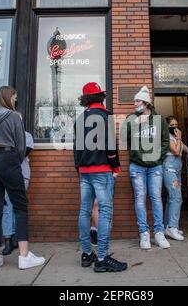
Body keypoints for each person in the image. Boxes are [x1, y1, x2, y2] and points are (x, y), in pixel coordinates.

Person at [0, 86, 45, 271]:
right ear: (10, 98)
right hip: (7, 159)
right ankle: (24, 256)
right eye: (15, 97)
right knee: (20, 206)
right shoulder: (14, 116)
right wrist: (12, 162)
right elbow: (21, 146)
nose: (16, 100)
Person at [74, 82, 127, 272]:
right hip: (102, 170)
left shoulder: (79, 119)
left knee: (85, 211)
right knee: (105, 211)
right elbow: (111, 147)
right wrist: (116, 166)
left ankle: (87, 253)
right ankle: (102, 257)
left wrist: (78, 168)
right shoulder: (105, 116)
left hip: (84, 171)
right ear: (100, 97)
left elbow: (76, 149)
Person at [121, 86, 171, 250]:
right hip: (137, 166)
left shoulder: (160, 120)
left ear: (146, 103)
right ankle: (144, 233)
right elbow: (122, 137)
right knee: (140, 199)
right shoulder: (132, 118)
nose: (134, 103)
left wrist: (160, 156)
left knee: (156, 198)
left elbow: (165, 141)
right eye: (135, 100)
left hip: (155, 166)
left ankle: (159, 233)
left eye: (137, 100)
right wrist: (135, 122)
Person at [2, 131, 34, 255]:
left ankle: (16, 238)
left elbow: (24, 151)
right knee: (7, 208)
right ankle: (8, 240)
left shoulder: (26, 135)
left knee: (18, 208)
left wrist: (9, 152)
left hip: (22, 175)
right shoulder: (4, 134)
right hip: (5, 175)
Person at [163, 116, 188, 241]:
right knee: (176, 197)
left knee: (172, 198)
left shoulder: (177, 138)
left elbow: (187, 150)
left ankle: (167, 225)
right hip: (169, 169)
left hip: (177, 170)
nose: (175, 127)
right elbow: (176, 152)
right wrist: (179, 138)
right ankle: (172, 227)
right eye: (172, 125)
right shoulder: (167, 137)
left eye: (176, 124)